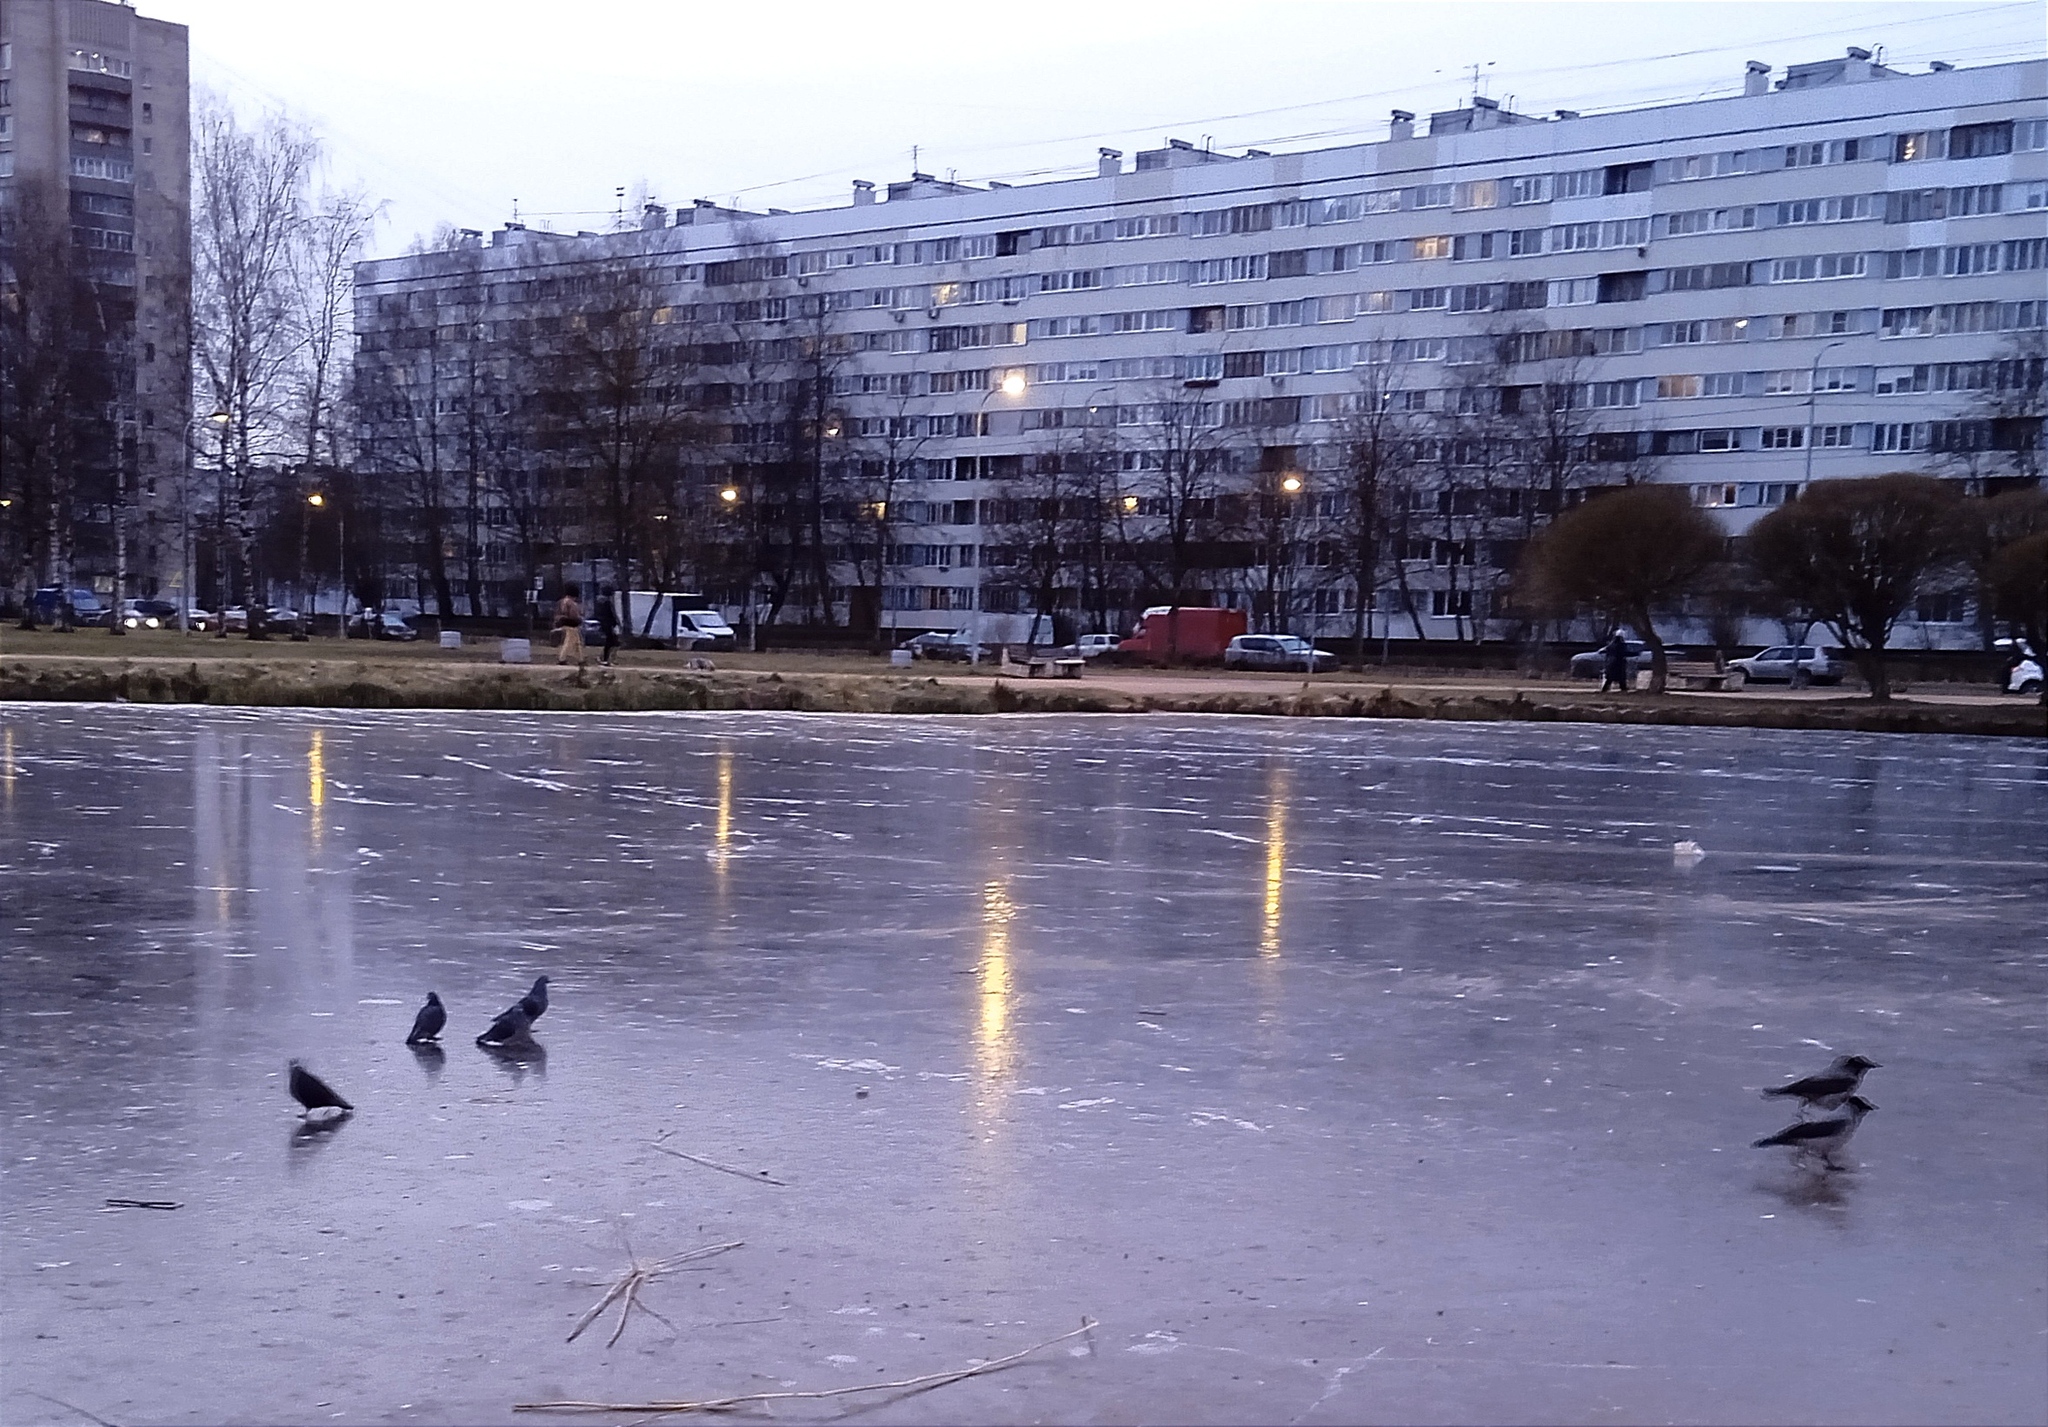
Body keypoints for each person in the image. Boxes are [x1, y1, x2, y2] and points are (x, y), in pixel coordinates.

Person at [554, 584, 584, 666]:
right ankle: (562, 658)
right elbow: (573, 615)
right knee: (569, 642)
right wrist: (579, 619)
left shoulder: (562, 601)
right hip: (571, 624)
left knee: (577, 642)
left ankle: (580, 659)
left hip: (564, 623)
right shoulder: (571, 603)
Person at [596, 584, 621, 667]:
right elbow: (611, 614)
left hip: (604, 623)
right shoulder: (607, 602)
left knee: (611, 642)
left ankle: (606, 658)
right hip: (609, 624)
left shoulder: (599, 602)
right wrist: (616, 623)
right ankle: (605, 658)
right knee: (612, 642)